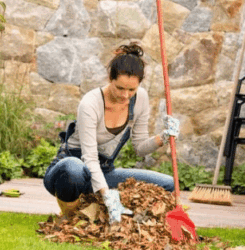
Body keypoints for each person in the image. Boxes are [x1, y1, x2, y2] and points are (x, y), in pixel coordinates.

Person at [43, 43, 180, 225]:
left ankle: (115, 219)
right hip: (69, 171)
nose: (125, 95)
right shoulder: (90, 103)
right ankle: (70, 218)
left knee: (168, 184)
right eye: (120, 88)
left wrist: (164, 137)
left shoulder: (140, 99)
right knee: (73, 169)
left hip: (104, 172)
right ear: (110, 78)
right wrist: (107, 195)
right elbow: (89, 158)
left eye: (131, 90)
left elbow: (139, 148)